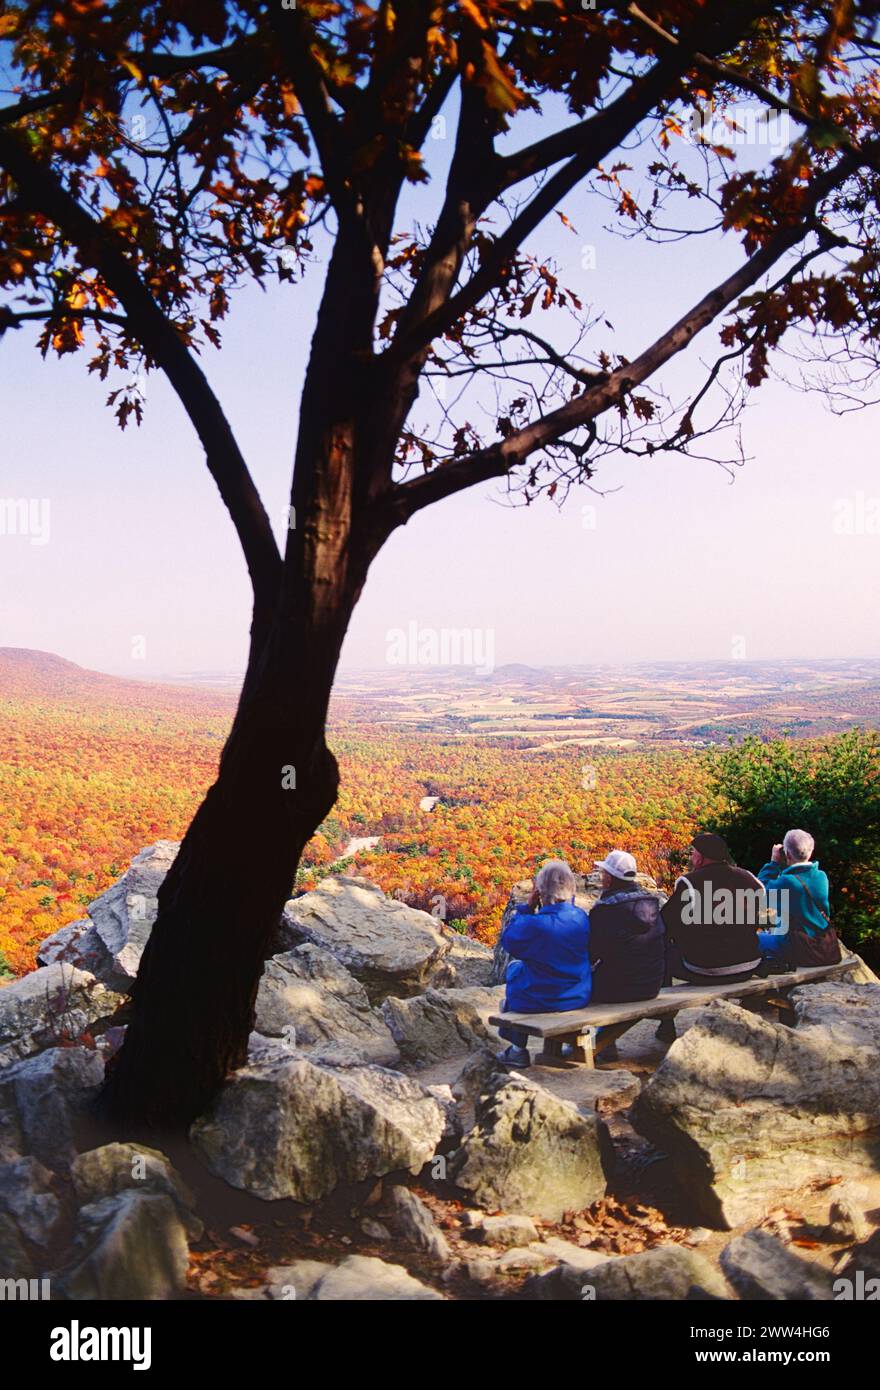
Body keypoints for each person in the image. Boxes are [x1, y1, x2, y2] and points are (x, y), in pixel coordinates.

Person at [658, 831, 765, 1041]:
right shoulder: (750, 879)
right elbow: (761, 919)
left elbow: (666, 925)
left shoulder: (689, 883)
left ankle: (666, 1022)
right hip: (748, 965)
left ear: (701, 857)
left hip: (706, 969)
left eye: (693, 853)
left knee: (660, 949)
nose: (691, 858)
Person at [496, 858, 591, 1068]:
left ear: (540, 892)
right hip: (578, 996)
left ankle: (518, 1050)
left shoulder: (534, 925)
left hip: (541, 1001)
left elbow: (509, 940)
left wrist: (528, 907)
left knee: (514, 970)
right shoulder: (581, 918)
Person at [588, 850, 665, 1004]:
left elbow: (591, 954)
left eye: (603, 874)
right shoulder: (653, 903)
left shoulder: (606, 909)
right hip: (652, 986)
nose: (602, 878)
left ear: (609, 878)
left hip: (617, 989)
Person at [756, 829, 840, 966]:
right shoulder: (821, 876)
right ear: (811, 851)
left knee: (751, 940)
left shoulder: (787, 882)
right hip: (824, 945)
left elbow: (759, 889)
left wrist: (773, 863)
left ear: (787, 853)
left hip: (797, 948)